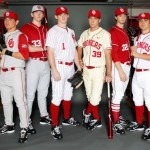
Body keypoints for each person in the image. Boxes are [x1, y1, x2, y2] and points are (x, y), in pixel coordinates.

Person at [46, 6, 81, 140]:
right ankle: (54, 125)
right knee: (57, 96)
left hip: (70, 67)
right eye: (60, 14)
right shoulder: (52, 31)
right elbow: (49, 52)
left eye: (65, 14)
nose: (63, 16)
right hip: (59, 66)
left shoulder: (71, 31)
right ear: (56, 16)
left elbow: (74, 51)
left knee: (68, 94)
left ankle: (66, 118)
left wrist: (79, 67)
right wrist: (54, 69)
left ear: (68, 16)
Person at [78, 9, 112, 130]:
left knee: (95, 97)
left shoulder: (105, 34)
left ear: (99, 20)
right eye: (90, 18)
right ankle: (96, 119)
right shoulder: (84, 34)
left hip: (98, 69)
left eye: (95, 18)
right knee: (89, 95)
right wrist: (79, 59)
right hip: (86, 69)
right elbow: (79, 46)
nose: (92, 20)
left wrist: (108, 73)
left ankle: (87, 113)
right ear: (88, 19)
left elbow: (108, 56)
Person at [20, 5, 51, 134]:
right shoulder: (25, 28)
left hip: (46, 63)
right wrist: (44, 48)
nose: (38, 14)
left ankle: (44, 115)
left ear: (43, 15)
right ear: (32, 14)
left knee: (43, 92)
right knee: (30, 93)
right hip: (33, 63)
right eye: (36, 12)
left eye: (41, 12)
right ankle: (27, 120)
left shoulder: (46, 29)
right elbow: (26, 47)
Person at [0, 11, 29, 143]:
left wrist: (8, 51)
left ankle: (24, 127)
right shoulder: (2, 37)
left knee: (20, 101)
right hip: (3, 72)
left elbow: (24, 56)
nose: (7, 21)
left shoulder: (21, 36)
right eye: (5, 19)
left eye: (11, 19)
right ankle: (9, 124)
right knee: (6, 101)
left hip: (16, 72)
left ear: (16, 22)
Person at [125, 13, 150, 140]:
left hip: (148, 73)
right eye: (140, 20)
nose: (142, 22)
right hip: (137, 73)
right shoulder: (138, 37)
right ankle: (140, 123)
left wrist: (138, 54)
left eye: (145, 20)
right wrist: (132, 39)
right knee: (137, 99)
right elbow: (133, 53)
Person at [109, 7, 131, 135]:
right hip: (119, 66)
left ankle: (116, 116)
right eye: (120, 15)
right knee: (117, 94)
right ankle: (116, 122)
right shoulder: (113, 31)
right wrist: (120, 71)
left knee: (120, 93)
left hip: (126, 65)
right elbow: (114, 54)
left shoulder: (123, 31)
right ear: (115, 17)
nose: (122, 17)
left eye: (124, 15)